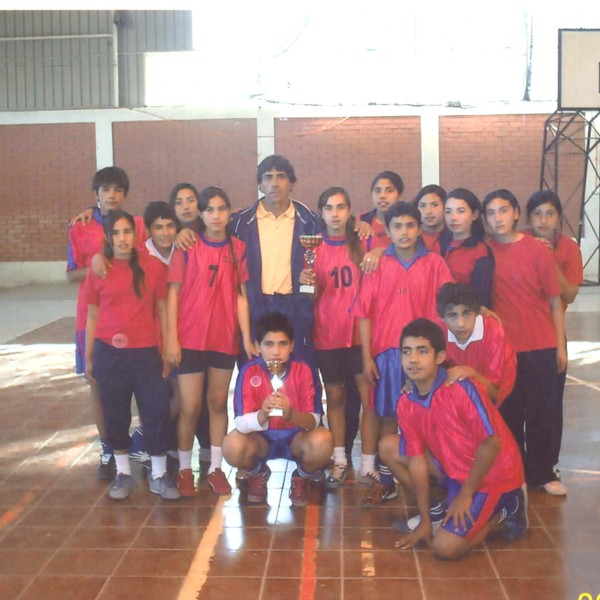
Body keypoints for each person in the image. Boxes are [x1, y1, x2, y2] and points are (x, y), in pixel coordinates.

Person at [381, 318, 526, 560]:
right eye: (407, 352)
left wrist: (466, 494)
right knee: (388, 446)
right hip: (454, 470)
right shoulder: (406, 401)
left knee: (444, 548)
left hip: (492, 475)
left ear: (439, 357)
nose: (413, 359)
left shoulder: (461, 388)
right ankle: (437, 512)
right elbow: (415, 459)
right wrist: (425, 522)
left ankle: (508, 509)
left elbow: (491, 444)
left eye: (422, 351)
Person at [353, 201, 453, 505]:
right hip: (387, 355)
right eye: (397, 226)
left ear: (419, 228)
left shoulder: (435, 263)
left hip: (423, 357)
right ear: (389, 230)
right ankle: (386, 480)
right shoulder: (377, 264)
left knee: (425, 419)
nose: (404, 231)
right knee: (386, 418)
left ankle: (432, 480)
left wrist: (441, 354)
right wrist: (367, 356)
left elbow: (447, 308)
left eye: (410, 225)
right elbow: (364, 314)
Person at [83, 209, 179, 501]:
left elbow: (162, 311)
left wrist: (163, 351)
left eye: (127, 232)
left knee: (156, 411)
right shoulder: (99, 269)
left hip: (147, 354)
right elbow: (92, 315)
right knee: (116, 412)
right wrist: (89, 358)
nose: (122, 239)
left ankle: (159, 474)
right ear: (108, 238)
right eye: (116, 233)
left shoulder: (153, 267)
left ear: (136, 235)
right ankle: (123, 472)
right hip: (108, 354)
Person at [166, 186, 254, 497]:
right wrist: (172, 339)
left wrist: (245, 336)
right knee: (190, 407)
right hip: (190, 338)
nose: (216, 215)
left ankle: (216, 469)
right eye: (210, 210)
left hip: (223, 338)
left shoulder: (238, 248)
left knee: (217, 403)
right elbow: (173, 294)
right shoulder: (186, 246)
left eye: (222, 209)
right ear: (201, 215)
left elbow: (241, 296)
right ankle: (185, 470)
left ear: (229, 213)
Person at [483, 189, 567, 495]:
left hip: (541, 346)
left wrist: (560, 345)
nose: (498, 218)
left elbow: (556, 302)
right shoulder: (485, 252)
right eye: (491, 213)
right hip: (504, 351)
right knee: (510, 414)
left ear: (516, 213)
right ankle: (514, 471)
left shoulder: (537, 250)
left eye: (503, 210)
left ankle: (543, 473)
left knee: (543, 412)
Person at [66, 166, 145, 479]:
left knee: (140, 386)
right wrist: (99, 262)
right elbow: (71, 274)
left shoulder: (138, 225)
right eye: (105, 190)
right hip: (93, 318)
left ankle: (138, 442)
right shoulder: (80, 227)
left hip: (136, 320)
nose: (112, 195)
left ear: (124, 194)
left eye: (117, 190)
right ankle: (108, 448)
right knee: (98, 385)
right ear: (95, 194)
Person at [299, 187, 374, 489]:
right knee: (337, 400)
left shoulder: (364, 242)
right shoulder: (312, 249)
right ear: (321, 212)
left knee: (369, 402)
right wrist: (306, 283)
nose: (335, 213)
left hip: (360, 335)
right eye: (329, 207)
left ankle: (368, 464)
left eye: (341, 207)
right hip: (327, 336)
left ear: (349, 211)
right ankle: (340, 460)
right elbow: (309, 298)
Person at [222, 312, 333, 507]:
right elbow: (240, 423)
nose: (276, 351)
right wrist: (263, 414)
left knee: (323, 440)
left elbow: (314, 420)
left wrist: (292, 415)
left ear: (292, 345)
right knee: (232, 445)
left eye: (282, 344)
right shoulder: (249, 371)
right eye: (268, 344)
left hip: (296, 438)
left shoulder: (305, 369)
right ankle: (258, 473)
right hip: (262, 439)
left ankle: (301, 476)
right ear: (257, 347)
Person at [525, 189, 583, 473]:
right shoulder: (519, 243)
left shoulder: (569, 249)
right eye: (537, 214)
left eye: (550, 213)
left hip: (552, 335)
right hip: (520, 334)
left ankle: (545, 465)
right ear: (528, 218)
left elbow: (570, 294)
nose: (544, 220)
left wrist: (549, 262)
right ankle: (516, 465)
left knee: (548, 406)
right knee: (516, 405)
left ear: (559, 218)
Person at [168, 182, 212, 476]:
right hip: (171, 326)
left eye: (191, 200)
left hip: (205, 328)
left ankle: (208, 449)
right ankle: (168, 449)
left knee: (206, 395)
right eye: (179, 201)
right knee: (177, 398)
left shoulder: (208, 232)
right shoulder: (167, 232)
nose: (185, 206)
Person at [437, 282, 516, 407]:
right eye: (452, 316)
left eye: (467, 314)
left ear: (477, 313)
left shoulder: (493, 332)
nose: (461, 324)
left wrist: (473, 374)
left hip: (499, 404)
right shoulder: (437, 333)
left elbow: (496, 393)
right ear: (442, 318)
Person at [443, 188, 494, 308]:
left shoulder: (480, 251)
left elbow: (481, 298)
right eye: (448, 211)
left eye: (460, 211)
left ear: (474, 215)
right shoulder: (439, 243)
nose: (453, 217)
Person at [358, 170, 404, 249]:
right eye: (378, 191)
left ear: (399, 194)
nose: (382, 196)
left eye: (389, 191)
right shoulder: (361, 221)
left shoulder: (407, 222)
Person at [414, 184, 451, 255]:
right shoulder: (411, 237)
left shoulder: (454, 237)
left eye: (435, 205)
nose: (428, 211)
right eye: (422, 206)